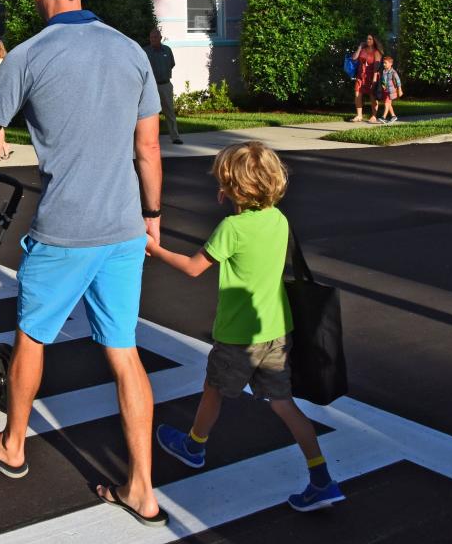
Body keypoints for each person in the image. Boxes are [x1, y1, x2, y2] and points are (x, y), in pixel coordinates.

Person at [0, 0, 166, 527]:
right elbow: (147, 147)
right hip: (122, 225)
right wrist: (152, 214)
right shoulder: (131, 53)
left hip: (65, 229)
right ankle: (142, 489)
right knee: (124, 355)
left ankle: (13, 445)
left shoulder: (28, 55)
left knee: (32, 338)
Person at [146, 141, 345, 513]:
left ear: (231, 188)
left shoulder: (232, 228)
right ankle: (322, 479)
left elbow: (193, 267)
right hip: (276, 332)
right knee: (284, 404)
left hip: (239, 336)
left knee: (214, 389)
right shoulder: (279, 219)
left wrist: (155, 250)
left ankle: (194, 445)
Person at [144, 27, 182, 144]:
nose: (153, 39)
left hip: (165, 85)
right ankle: (149, 139)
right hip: (150, 87)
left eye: (155, 37)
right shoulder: (145, 51)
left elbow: (171, 64)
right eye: (151, 37)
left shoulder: (167, 50)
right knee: (149, 113)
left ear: (160, 38)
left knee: (169, 111)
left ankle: (175, 137)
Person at [350, 34, 383, 123]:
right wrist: (360, 47)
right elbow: (354, 58)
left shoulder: (376, 52)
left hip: (371, 77)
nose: (368, 40)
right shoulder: (363, 50)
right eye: (367, 39)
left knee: (372, 97)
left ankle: (374, 116)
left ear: (374, 40)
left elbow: (376, 68)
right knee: (357, 94)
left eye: (370, 39)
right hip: (361, 76)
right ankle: (359, 115)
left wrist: (374, 81)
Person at [377, 53, 403, 124]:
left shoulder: (393, 72)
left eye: (385, 63)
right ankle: (393, 116)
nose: (384, 64)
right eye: (383, 63)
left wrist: (400, 90)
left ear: (391, 64)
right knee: (389, 104)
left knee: (386, 103)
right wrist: (383, 86)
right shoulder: (384, 72)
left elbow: (398, 81)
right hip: (385, 91)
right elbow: (383, 80)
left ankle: (383, 117)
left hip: (391, 91)